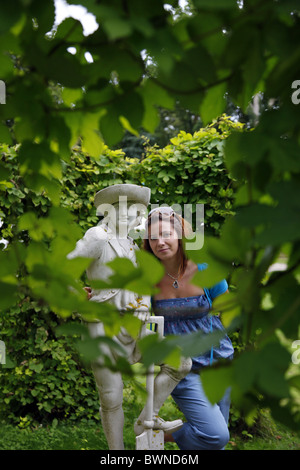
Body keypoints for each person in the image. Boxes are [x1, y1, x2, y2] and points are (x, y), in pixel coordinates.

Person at [67, 185, 191, 450]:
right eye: (120, 210)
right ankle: (117, 453)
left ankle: (147, 418)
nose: (127, 216)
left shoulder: (132, 244)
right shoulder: (98, 236)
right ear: (108, 212)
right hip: (104, 327)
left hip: (138, 326)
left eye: (133, 211)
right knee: (111, 397)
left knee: (179, 363)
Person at [143, 206, 234, 450]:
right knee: (216, 435)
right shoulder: (147, 277)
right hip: (181, 367)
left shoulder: (205, 268)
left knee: (215, 441)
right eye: (152, 238)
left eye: (165, 234)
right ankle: (160, 436)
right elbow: (122, 299)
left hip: (219, 361)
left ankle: (166, 433)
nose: (159, 242)